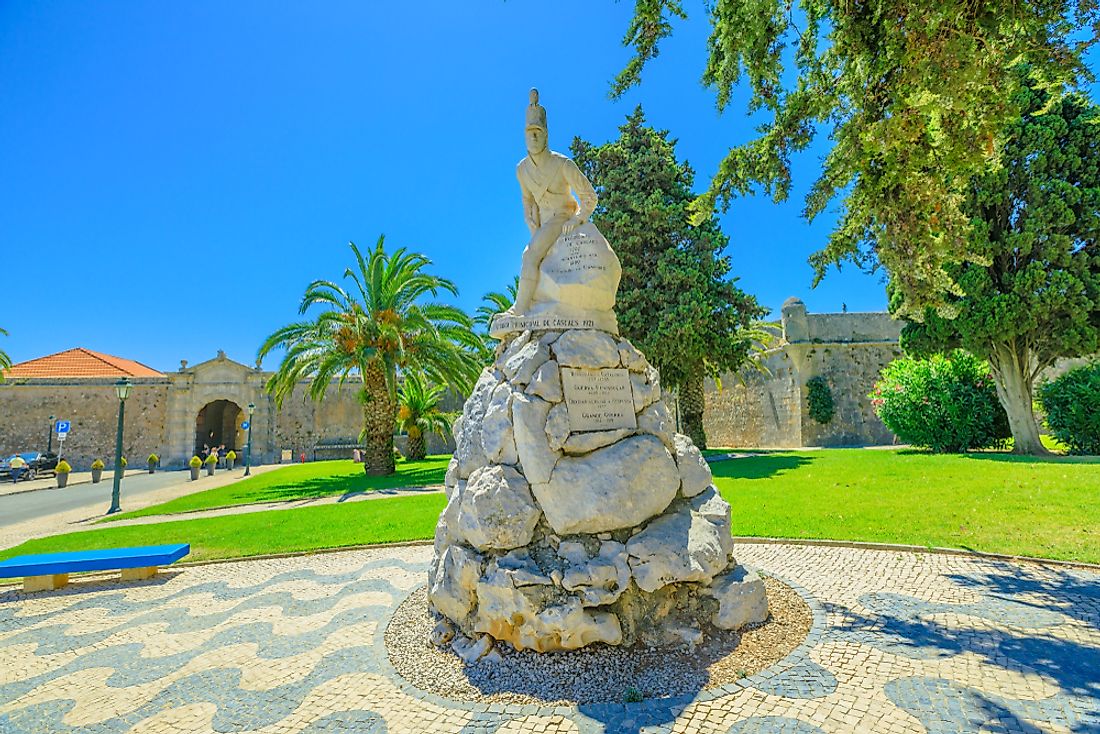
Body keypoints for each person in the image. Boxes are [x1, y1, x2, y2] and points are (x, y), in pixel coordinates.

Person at [506, 88, 598, 316]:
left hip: (561, 217)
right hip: (542, 222)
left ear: (546, 135)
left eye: (538, 132)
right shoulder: (522, 169)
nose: (534, 137)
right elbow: (527, 199)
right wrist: (528, 218)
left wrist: (578, 219)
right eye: (529, 133)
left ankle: (520, 309)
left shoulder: (562, 164)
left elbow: (589, 196)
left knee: (529, 256)